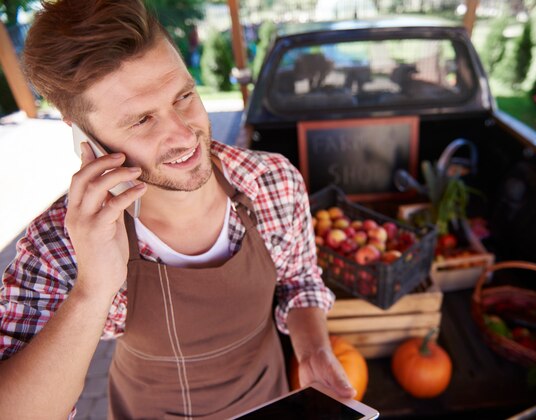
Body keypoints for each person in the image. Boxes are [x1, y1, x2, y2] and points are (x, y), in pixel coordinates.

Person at [0, 0, 355, 418]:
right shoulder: (60, 244)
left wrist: (312, 351)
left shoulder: (270, 181)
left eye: (184, 95)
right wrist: (92, 290)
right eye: (142, 120)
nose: (185, 135)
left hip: (270, 401)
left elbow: (299, 281)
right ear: (84, 134)